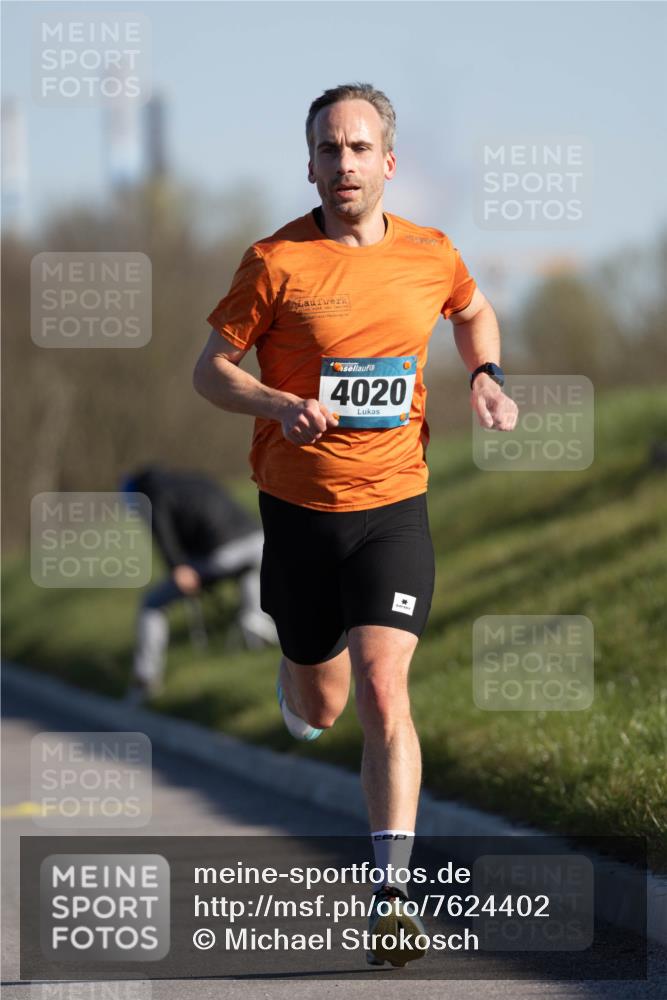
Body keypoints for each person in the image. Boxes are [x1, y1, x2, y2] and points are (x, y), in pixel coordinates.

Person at [193, 82, 518, 966]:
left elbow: (472, 309)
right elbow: (209, 371)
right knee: (321, 702)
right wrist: (275, 399)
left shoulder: (429, 253)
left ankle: (391, 898)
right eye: (328, 150)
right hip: (297, 516)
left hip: (393, 509)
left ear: (387, 161)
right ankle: (295, 683)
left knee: (383, 692)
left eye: (359, 147)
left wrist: (485, 374)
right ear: (309, 164)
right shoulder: (274, 262)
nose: (344, 163)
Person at [121, 464, 277, 703]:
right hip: (258, 540)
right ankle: (254, 618)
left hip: (223, 554)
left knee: (151, 604)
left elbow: (168, 543)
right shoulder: (193, 479)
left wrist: (178, 568)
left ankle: (146, 678)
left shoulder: (154, 498)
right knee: (247, 568)